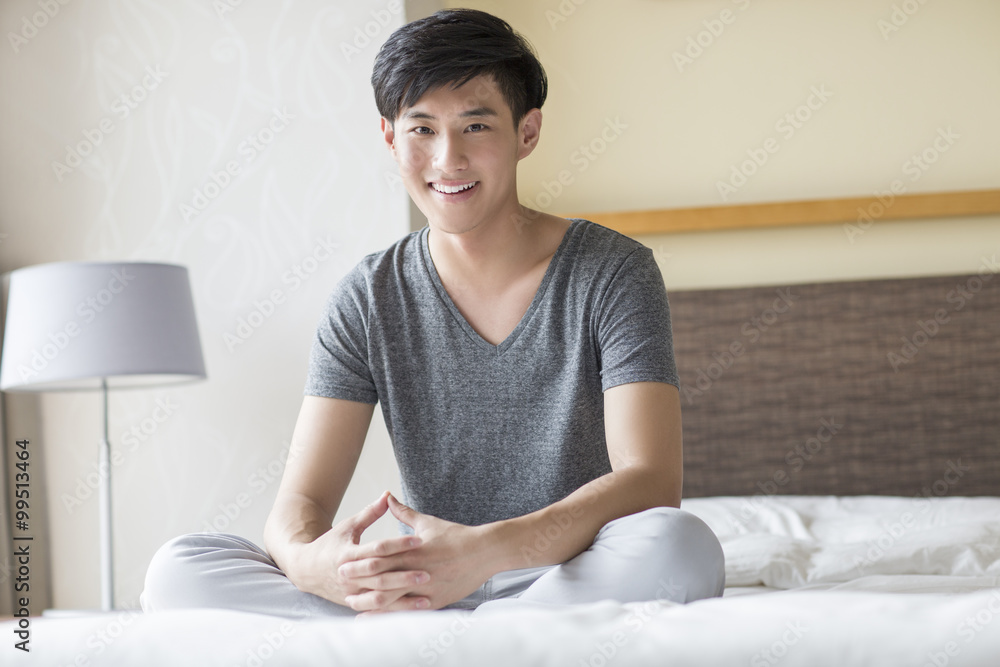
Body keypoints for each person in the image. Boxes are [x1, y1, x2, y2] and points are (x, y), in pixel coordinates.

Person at [141, 8, 724, 619]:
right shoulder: (367, 296)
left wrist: (485, 552)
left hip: (569, 573)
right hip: (423, 586)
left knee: (679, 546)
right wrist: (315, 565)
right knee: (180, 570)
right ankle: (484, 637)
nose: (448, 160)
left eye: (476, 126)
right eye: (422, 130)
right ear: (391, 137)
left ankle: (457, 638)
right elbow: (302, 501)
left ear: (527, 133)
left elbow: (653, 482)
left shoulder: (612, 271)